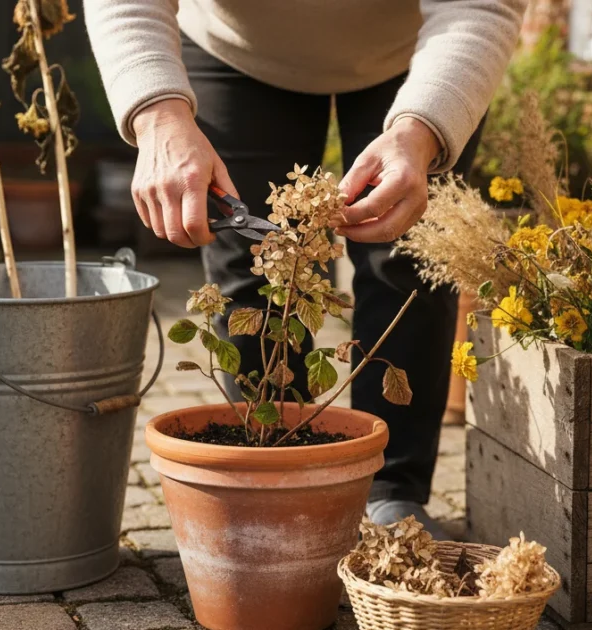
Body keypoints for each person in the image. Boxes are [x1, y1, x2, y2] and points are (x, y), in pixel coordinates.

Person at [86, 0, 526, 539]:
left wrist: (421, 129)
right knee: (254, 272)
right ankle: (279, 482)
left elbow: (479, 7)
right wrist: (158, 115)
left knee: (405, 267)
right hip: (235, 47)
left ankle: (392, 493)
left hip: (415, 52)